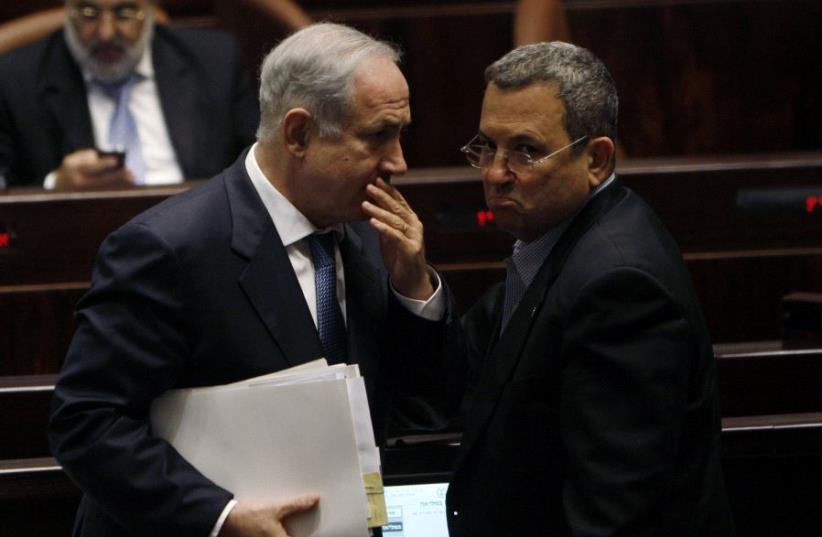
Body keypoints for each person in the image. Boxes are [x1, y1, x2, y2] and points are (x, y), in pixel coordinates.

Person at [49, 22, 440, 537]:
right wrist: (220, 516)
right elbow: (87, 423)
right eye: (377, 136)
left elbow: (424, 408)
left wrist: (414, 289)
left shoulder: (369, 235)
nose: (400, 163)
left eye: (401, 134)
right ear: (298, 133)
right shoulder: (167, 248)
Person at [392, 41, 735, 536]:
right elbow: (467, 378)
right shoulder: (555, 242)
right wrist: (413, 280)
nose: (494, 174)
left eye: (525, 151)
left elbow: (613, 518)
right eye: (486, 145)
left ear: (595, 159)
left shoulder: (618, 287)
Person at [0, 0, 258, 189]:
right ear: (67, 10)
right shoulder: (17, 78)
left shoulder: (214, 61)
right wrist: (54, 186)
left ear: (150, 11)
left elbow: (260, 163)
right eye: (88, 13)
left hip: (201, 237)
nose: (106, 33)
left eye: (124, 13)